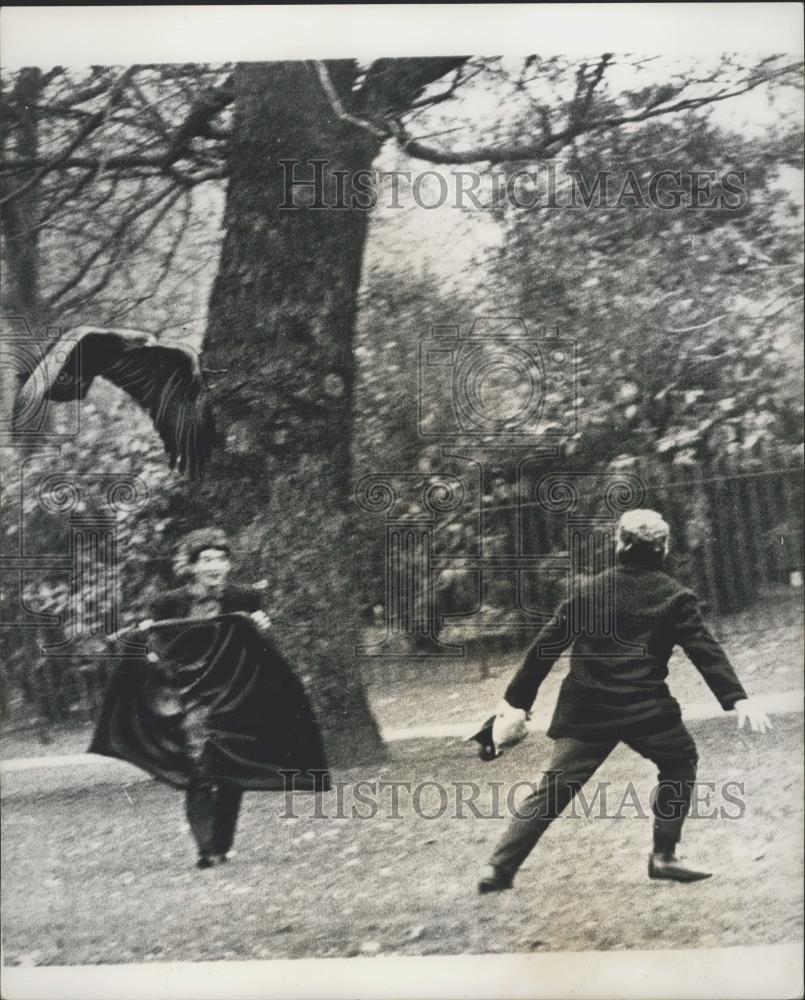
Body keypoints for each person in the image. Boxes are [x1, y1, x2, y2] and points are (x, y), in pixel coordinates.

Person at [477, 509, 772, 893]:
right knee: (679, 760)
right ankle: (664, 856)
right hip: (645, 710)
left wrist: (516, 702)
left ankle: (498, 869)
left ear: (621, 544)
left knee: (554, 788)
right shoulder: (675, 597)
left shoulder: (587, 592)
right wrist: (736, 699)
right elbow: (705, 649)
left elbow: (544, 649)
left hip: (587, 710)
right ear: (662, 549)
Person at [93, 527, 329, 870]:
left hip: (233, 696)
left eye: (220, 559)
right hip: (188, 695)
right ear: (191, 566)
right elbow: (157, 645)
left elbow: (261, 650)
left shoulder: (244, 598)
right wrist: (147, 642)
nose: (214, 566)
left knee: (231, 771)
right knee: (199, 768)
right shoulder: (167, 603)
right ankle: (206, 849)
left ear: (230, 565)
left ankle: (221, 844)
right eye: (206, 560)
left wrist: (263, 628)